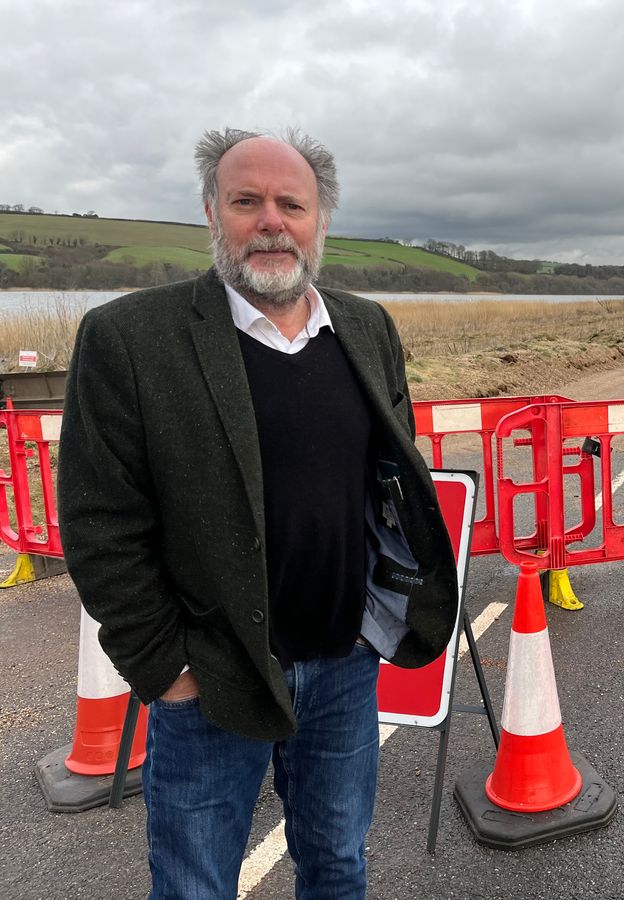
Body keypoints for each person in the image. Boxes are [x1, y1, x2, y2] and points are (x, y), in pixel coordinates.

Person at [58, 128, 458, 899]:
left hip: (346, 664)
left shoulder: (366, 328)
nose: (271, 221)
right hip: (211, 674)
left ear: (321, 222)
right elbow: (100, 522)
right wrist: (165, 667)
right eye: (247, 202)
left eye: (291, 204)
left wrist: (387, 606)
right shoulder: (131, 338)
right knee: (195, 884)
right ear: (213, 212)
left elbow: (387, 480)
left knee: (339, 866)